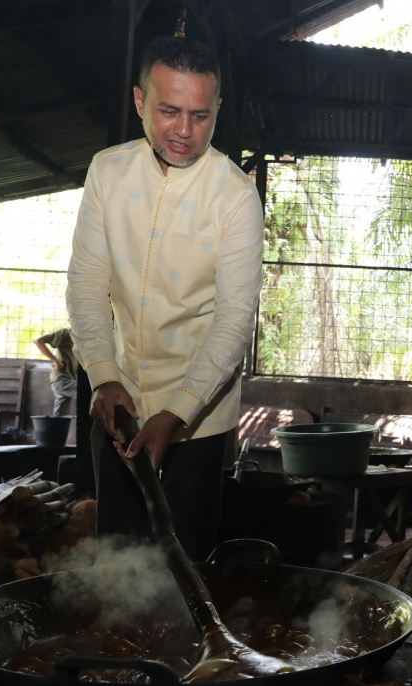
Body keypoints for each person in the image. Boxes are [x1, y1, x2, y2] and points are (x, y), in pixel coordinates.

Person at [66, 35, 263, 561]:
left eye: (200, 115)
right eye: (169, 110)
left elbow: (234, 321)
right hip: (118, 405)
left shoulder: (235, 196)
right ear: (139, 102)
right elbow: (87, 283)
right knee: (119, 568)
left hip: (198, 417)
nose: (183, 131)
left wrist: (177, 412)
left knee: (185, 567)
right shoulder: (107, 173)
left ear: (217, 109)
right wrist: (104, 375)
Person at [34, 327, 78, 415]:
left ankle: (56, 427)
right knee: (88, 394)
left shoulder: (84, 340)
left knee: (60, 416)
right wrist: (55, 360)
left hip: (69, 379)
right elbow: (38, 341)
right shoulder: (66, 333)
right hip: (61, 380)